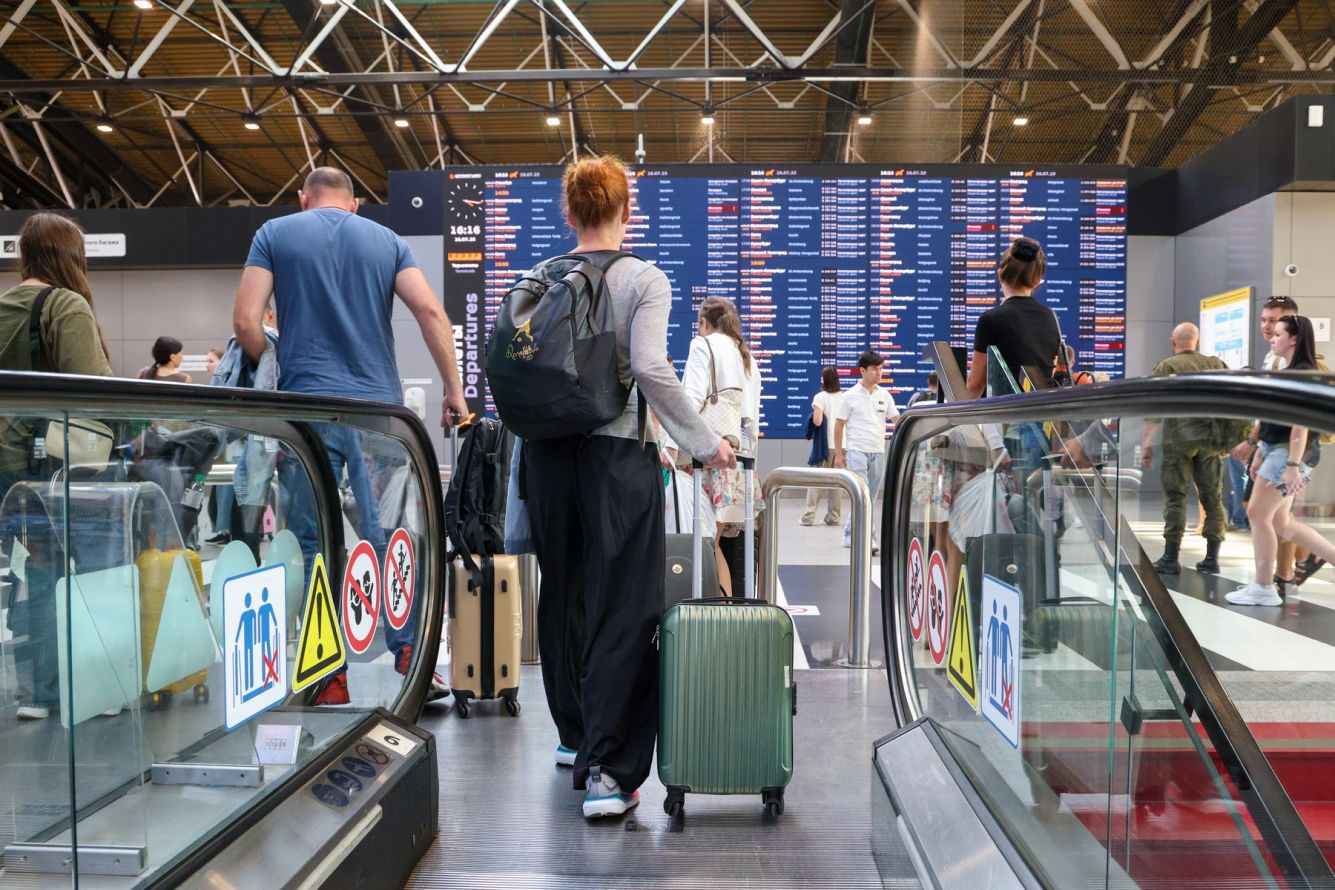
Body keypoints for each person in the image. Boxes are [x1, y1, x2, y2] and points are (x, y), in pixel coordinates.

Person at [520, 155, 734, 820]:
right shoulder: (643, 277)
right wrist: (705, 442)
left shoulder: (539, 277)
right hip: (616, 457)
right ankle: (609, 775)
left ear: (568, 212)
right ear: (625, 210)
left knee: (563, 593)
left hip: (546, 457)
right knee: (624, 605)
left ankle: (574, 736)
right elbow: (649, 367)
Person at [232, 167, 469, 706]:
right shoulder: (387, 240)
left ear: (303, 198)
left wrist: (273, 362)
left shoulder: (274, 233)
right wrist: (454, 390)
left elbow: (246, 321)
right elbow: (430, 311)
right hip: (378, 417)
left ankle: (329, 676)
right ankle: (410, 658)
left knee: (314, 543)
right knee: (387, 539)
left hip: (307, 413)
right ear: (355, 203)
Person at [0, 212, 115, 720]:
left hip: (7, 468)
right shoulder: (65, 304)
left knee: (35, 569)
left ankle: (39, 693)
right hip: (56, 466)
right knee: (94, 568)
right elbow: (95, 388)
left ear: (25, 256)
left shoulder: (5, 306)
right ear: (71, 257)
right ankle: (97, 687)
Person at [1227, 315, 1335, 605]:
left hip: (1289, 455)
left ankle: (1264, 587)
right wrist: (1261, 451)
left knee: (1258, 515)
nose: (1272, 339)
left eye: (1277, 334)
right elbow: (1274, 420)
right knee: (1282, 523)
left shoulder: (1303, 374)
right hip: (1280, 452)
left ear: (1294, 339)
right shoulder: (1289, 372)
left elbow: (1300, 425)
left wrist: (1292, 467)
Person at [681, 297, 762, 597]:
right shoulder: (746, 356)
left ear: (704, 322)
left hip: (708, 460)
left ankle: (714, 611)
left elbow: (690, 402)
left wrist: (669, 447)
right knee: (714, 545)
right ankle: (726, 609)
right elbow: (751, 423)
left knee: (703, 544)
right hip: (739, 465)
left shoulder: (702, 345)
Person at [1139, 323, 1229, 574]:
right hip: (1210, 442)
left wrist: (1147, 445)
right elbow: (1229, 404)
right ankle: (1212, 559)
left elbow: (1153, 410)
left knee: (1175, 497)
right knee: (1213, 498)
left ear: (1173, 342)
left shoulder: (1166, 367)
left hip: (1177, 441)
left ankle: (1170, 558)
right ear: (1197, 342)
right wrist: (1227, 440)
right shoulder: (1216, 364)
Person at [965, 236, 1060, 400]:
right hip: (1045, 409)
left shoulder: (990, 319)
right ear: (1037, 281)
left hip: (1008, 411)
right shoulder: (1051, 317)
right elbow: (1050, 371)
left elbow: (976, 384)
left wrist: (955, 410)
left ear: (1000, 274)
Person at [834, 351, 898, 556]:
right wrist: (839, 454)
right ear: (862, 371)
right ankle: (868, 537)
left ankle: (849, 533)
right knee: (863, 495)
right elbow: (839, 424)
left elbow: (896, 419)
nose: (879, 373)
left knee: (869, 496)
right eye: (875, 369)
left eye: (881, 369)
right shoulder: (850, 395)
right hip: (856, 451)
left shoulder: (884, 395)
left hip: (878, 450)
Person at [801, 366, 843, 526]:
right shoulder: (844, 397)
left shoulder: (820, 397)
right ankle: (833, 517)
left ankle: (808, 517)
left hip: (824, 447)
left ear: (824, 380)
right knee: (836, 483)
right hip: (842, 446)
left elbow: (817, 421)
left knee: (815, 481)